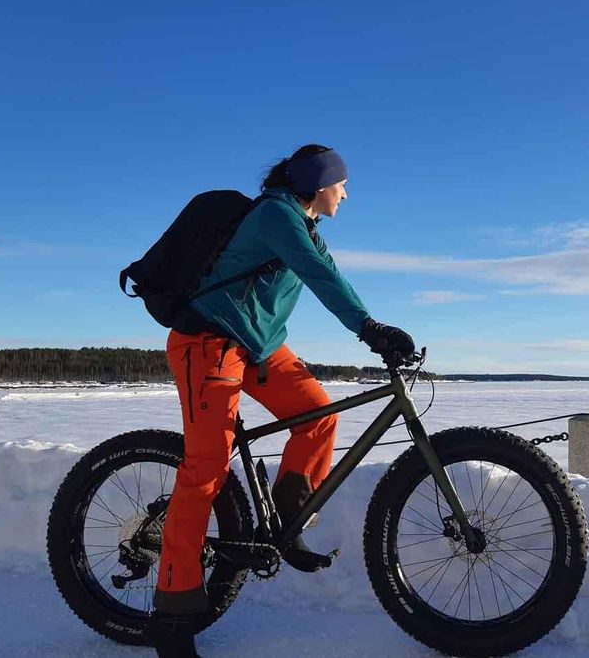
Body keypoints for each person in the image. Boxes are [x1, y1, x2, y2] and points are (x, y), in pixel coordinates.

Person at [149, 145, 414, 657]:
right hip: (208, 343)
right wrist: (369, 329)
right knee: (206, 469)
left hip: (258, 346)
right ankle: (172, 615)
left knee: (318, 417)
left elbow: (332, 274)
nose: (347, 193)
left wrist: (375, 326)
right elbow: (321, 277)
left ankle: (287, 522)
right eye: (342, 183)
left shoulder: (306, 224)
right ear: (319, 182)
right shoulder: (275, 215)